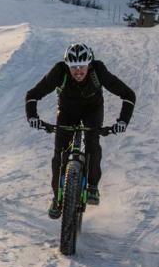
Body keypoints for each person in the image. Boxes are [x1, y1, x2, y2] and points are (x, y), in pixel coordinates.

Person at [25, 43, 135, 219]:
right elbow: (33, 94)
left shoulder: (98, 71)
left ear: (89, 64)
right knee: (60, 154)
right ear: (67, 66)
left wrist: (123, 121)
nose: (78, 71)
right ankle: (57, 197)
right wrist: (32, 117)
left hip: (93, 110)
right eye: (73, 67)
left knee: (92, 144)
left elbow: (128, 95)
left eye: (82, 66)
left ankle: (92, 187)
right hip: (67, 112)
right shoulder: (59, 72)